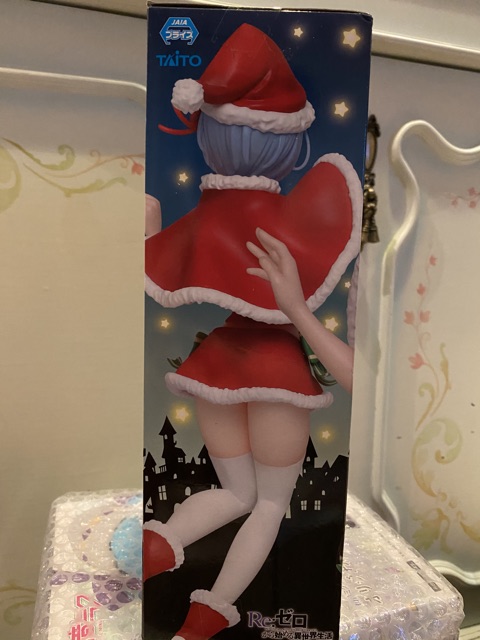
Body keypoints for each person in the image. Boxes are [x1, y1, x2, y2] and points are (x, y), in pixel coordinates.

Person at [143, 23, 362, 640]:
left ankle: (160, 545)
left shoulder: (206, 218)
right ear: (291, 147)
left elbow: (159, 261)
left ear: (208, 136)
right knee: (267, 502)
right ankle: (208, 613)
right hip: (277, 375)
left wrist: (149, 223)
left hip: (217, 365)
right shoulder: (295, 219)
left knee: (234, 492)